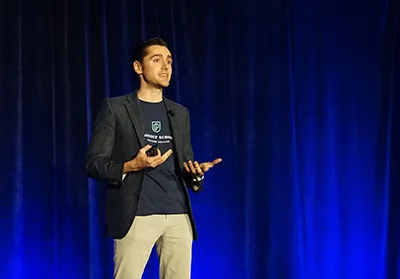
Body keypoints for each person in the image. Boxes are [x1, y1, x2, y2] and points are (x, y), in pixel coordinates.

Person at [84, 37, 222, 279]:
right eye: (156, 60)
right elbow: (93, 163)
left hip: (178, 215)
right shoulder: (116, 108)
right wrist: (131, 165)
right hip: (135, 215)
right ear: (138, 67)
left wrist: (196, 174)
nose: (166, 67)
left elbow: (185, 166)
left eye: (169, 61)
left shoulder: (180, 113)